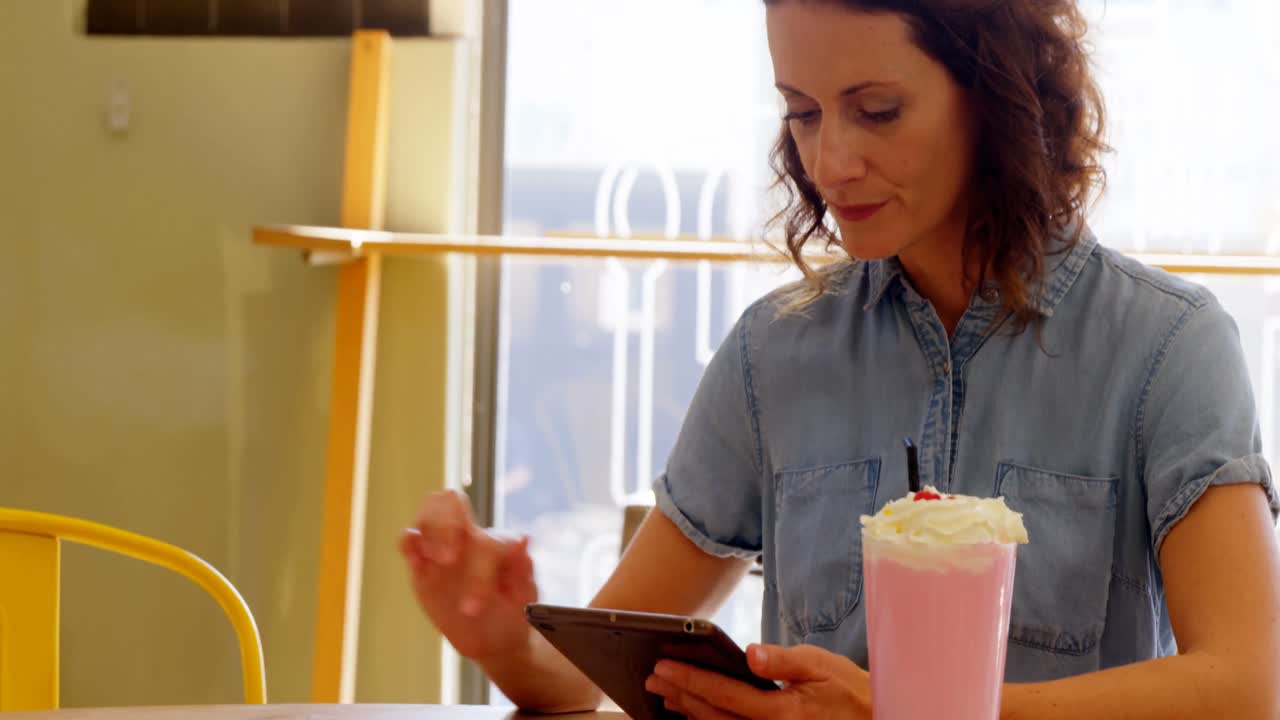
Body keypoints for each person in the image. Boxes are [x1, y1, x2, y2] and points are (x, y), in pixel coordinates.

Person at [400, 1, 1280, 717]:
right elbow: (582, 685)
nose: (829, 161)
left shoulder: (1168, 346)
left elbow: (1246, 687)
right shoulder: (771, 354)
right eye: (802, 111)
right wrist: (507, 643)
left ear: (997, 92)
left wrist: (915, 714)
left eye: (877, 110)